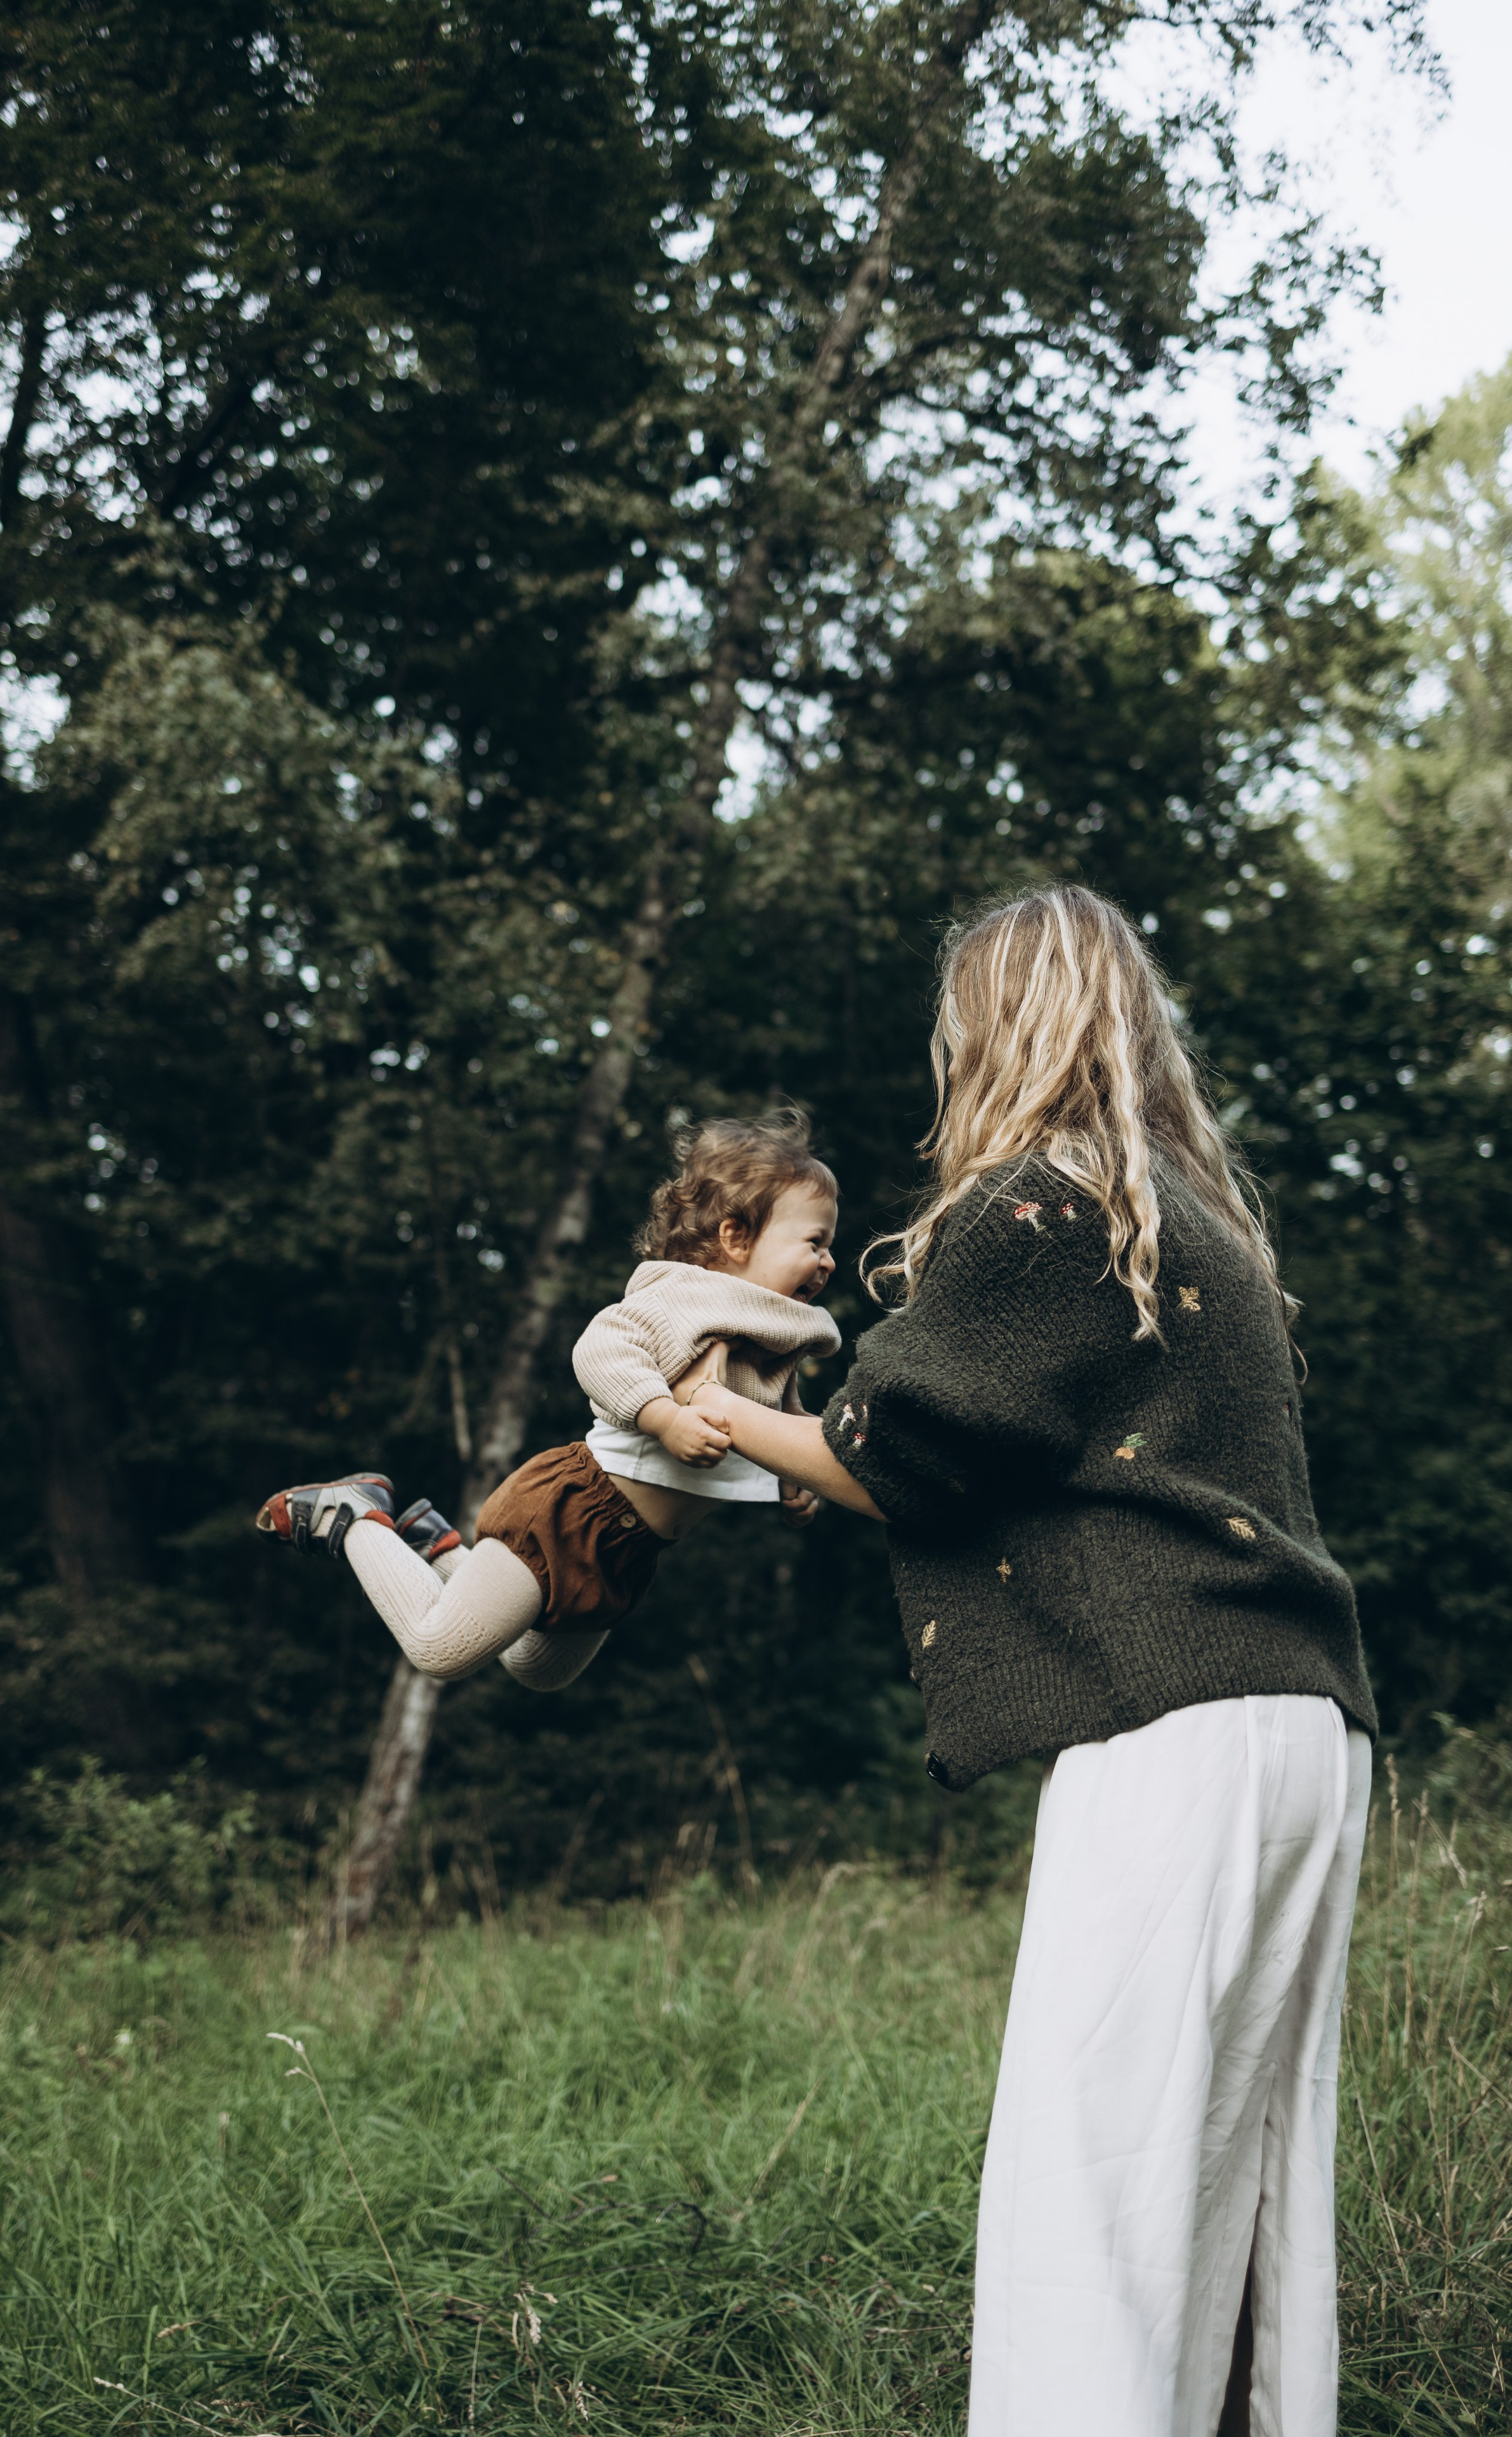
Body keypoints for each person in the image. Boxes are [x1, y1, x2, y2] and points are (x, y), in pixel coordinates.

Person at [680, 885, 1377, 2437]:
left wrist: (714, 1419)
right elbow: (990, 1453)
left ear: (991, 1025)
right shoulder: (1190, 1224)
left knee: (1088, 2193)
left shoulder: (1038, 1203)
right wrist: (817, 1446)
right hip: (1300, 1724)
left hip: (1172, 1730)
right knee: (1222, 2189)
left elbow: (902, 1444)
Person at [254, 1114, 842, 1691]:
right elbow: (602, 1352)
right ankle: (351, 1515)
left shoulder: (771, 1338)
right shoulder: (685, 1297)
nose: (828, 1262)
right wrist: (663, 1421)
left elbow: (783, 1420)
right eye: (814, 1242)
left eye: (830, 1247)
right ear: (736, 1237)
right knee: (439, 1649)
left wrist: (795, 1478)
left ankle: (435, 1548)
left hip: (633, 1547)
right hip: (574, 1511)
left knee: (538, 1669)